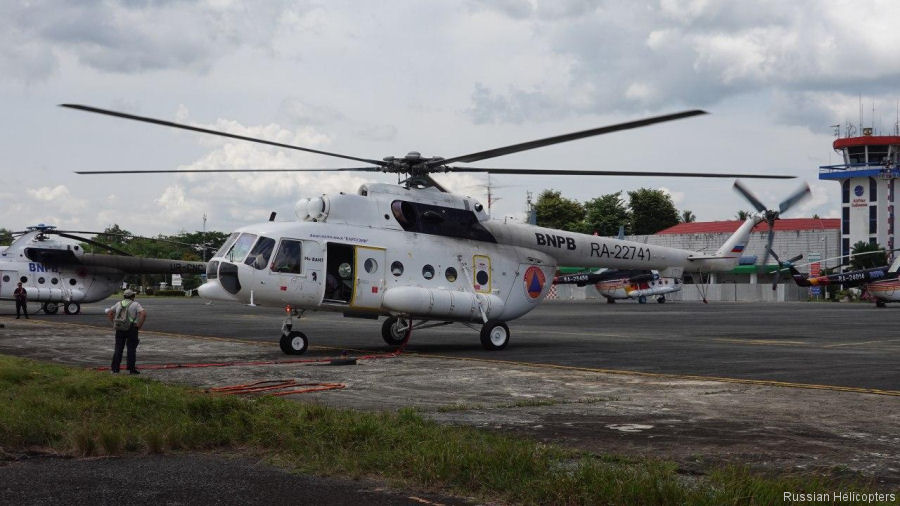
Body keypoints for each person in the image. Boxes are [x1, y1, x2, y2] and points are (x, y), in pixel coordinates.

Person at [106, 289, 147, 374]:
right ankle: (131, 369)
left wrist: (114, 323)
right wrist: (139, 325)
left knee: (118, 348)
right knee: (131, 349)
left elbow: (110, 313)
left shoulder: (118, 303)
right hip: (131, 328)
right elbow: (143, 313)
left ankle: (115, 369)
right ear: (132, 296)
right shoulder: (135, 304)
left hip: (120, 328)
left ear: (124, 296)